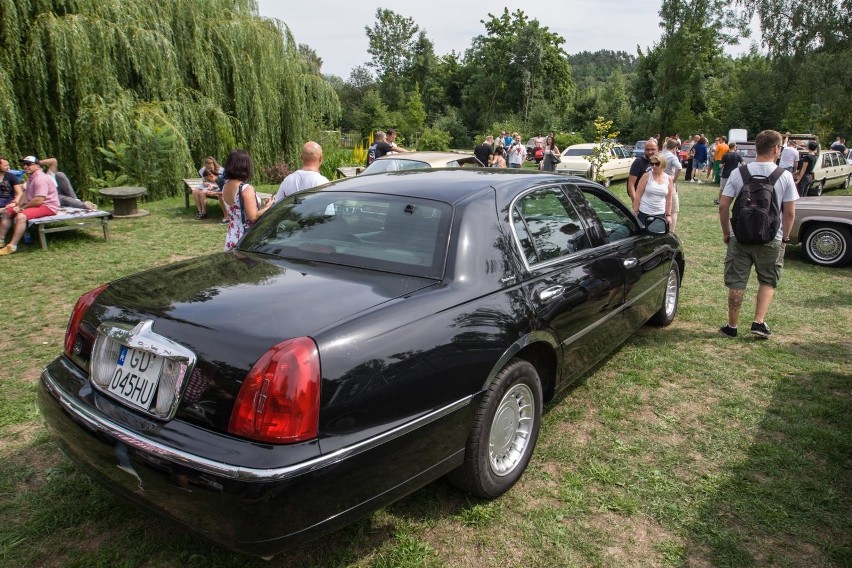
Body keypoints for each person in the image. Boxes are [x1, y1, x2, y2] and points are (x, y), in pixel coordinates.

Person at [718, 129, 798, 339]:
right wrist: (785, 239)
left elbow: (723, 206)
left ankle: (732, 325)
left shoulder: (739, 173)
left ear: (756, 148)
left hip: (740, 236)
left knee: (737, 281)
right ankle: (758, 322)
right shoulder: (785, 176)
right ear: (776, 149)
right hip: (771, 236)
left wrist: (727, 232)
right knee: (767, 279)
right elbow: (789, 213)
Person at [0, 156, 61, 256]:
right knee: (7, 211)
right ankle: (1, 240)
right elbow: (25, 194)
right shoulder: (32, 177)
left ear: (37, 166)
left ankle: (12, 246)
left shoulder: (40, 179)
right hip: (37, 204)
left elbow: (38, 200)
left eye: (28, 164)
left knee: (21, 216)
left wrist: (21, 208)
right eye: (24, 164)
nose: (25, 166)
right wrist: (17, 205)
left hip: (48, 206)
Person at [222, 149, 273, 251]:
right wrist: (269, 207)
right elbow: (253, 217)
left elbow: (239, 210)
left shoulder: (225, 186)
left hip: (232, 233)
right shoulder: (246, 188)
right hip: (245, 236)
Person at [633, 155, 673, 227]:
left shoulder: (669, 178)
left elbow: (669, 199)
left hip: (660, 214)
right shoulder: (646, 176)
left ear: (663, 164)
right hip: (644, 212)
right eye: (652, 164)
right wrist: (635, 211)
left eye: (657, 164)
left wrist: (668, 215)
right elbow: (638, 194)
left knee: (657, 236)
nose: (654, 166)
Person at [660, 139, 682, 232]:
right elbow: (679, 168)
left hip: (659, 183)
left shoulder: (660, 154)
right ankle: (671, 232)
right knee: (673, 210)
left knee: (662, 207)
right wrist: (674, 180)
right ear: (675, 148)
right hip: (669, 183)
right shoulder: (672, 157)